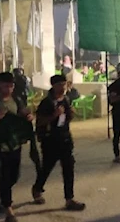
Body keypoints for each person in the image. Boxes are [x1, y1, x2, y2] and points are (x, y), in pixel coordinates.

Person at [0, 72, 34, 222]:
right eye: (6, 85)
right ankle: (9, 209)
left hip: (14, 143)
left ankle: (1, 195)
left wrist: (28, 116)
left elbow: (22, 112)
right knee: (4, 176)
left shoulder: (16, 99)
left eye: (11, 86)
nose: (9, 89)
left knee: (15, 175)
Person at [32, 75, 85, 211]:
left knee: (68, 168)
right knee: (47, 167)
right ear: (54, 86)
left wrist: (71, 114)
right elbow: (40, 121)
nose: (64, 87)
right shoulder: (47, 102)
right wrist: (54, 115)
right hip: (50, 140)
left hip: (65, 138)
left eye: (65, 84)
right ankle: (37, 188)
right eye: (61, 84)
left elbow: (66, 119)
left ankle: (69, 199)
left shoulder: (66, 100)